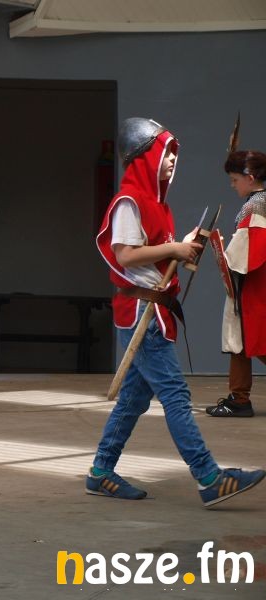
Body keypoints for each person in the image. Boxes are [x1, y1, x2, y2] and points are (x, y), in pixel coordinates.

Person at [89, 117, 264, 507]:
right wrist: (174, 249)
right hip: (142, 313)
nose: (172, 161)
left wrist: (181, 248)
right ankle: (209, 477)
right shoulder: (129, 201)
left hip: (154, 310)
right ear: (144, 157)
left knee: (133, 401)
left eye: (173, 154)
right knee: (176, 395)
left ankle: (100, 472)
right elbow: (125, 255)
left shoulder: (157, 205)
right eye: (165, 153)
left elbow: (150, 254)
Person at [206, 150, 266, 418]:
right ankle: (239, 398)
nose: (232, 185)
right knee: (240, 340)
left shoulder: (257, 205)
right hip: (252, 282)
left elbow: (249, 251)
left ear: (249, 178)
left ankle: (240, 399)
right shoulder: (257, 203)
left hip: (255, 283)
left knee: (252, 338)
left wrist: (225, 255)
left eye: (234, 179)